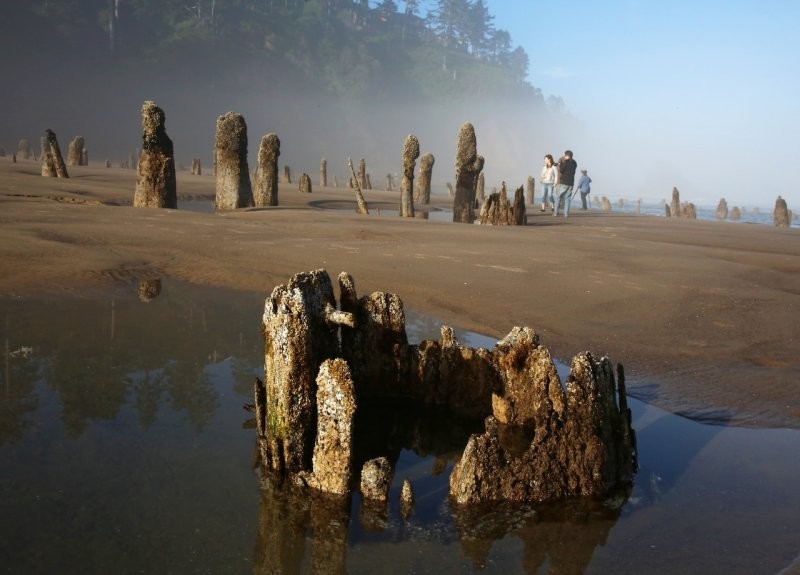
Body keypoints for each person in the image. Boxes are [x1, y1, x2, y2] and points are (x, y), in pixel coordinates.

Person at [553, 150, 577, 217]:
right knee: (567, 199)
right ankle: (566, 214)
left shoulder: (565, 162)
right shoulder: (575, 162)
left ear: (567, 156)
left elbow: (561, 170)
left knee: (558, 197)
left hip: (564, 182)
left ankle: (555, 213)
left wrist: (560, 165)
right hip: (571, 183)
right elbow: (573, 172)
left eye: (565, 155)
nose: (564, 156)